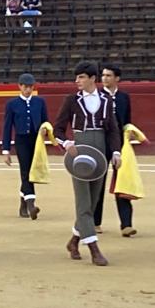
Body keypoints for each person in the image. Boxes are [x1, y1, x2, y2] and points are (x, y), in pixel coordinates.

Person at [52, 60, 122, 266]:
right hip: (80, 150)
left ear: (92, 78)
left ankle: (74, 242)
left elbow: (113, 129)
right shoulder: (72, 100)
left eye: (81, 77)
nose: (77, 81)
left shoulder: (107, 100)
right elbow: (57, 129)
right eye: (76, 77)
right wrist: (66, 143)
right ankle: (94, 249)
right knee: (83, 202)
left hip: (100, 150)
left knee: (92, 202)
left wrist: (116, 152)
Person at [2, 73, 48, 219]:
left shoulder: (40, 102)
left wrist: (45, 130)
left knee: (32, 171)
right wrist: (6, 150)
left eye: (30, 87)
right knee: (26, 171)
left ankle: (23, 204)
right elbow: (7, 127)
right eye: (25, 87)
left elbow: (45, 122)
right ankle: (31, 205)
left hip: (36, 140)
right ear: (20, 86)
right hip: (21, 140)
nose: (28, 90)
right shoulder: (12, 104)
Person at [99, 64, 135, 236]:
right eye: (103, 75)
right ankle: (95, 222)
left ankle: (126, 224)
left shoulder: (124, 97)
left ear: (117, 78)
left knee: (122, 183)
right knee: (98, 183)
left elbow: (127, 120)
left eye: (108, 75)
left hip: (119, 144)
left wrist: (130, 131)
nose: (104, 78)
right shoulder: (97, 96)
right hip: (100, 143)